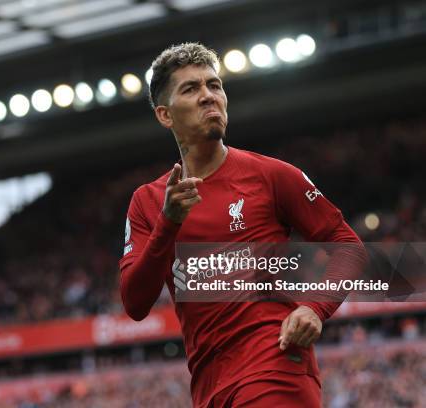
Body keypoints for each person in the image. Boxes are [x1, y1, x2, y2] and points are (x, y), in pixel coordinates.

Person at [119, 43, 366, 407]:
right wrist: (168, 224)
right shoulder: (149, 202)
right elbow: (135, 303)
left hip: (275, 368)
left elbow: (349, 245)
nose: (208, 96)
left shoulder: (271, 176)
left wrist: (315, 307)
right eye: (191, 89)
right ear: (164, 114)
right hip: (210, 388)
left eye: (214, 85)